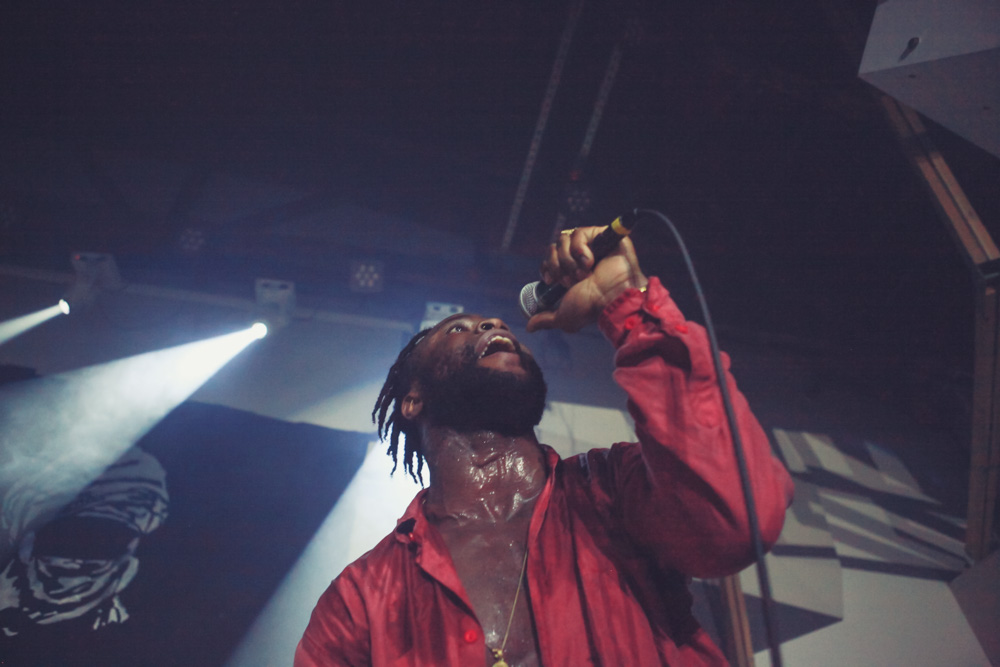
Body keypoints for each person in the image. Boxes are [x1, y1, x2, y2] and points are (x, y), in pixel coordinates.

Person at [295, 225, 794, 666]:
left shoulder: (614, 492)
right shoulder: (362, 599)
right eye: (458, 328)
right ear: (413, 400)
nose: (491, 325)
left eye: (495, 324)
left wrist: (624, 297)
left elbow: (737, 521)